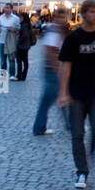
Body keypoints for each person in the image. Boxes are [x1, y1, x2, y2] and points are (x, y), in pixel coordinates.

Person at [57, 0, 95, 189]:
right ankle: (81, 171)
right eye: (91, 12)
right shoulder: (73, 38)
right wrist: (63, 93)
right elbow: (66, 67)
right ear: (83, 14)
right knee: (77, 134)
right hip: (75, 94)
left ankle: (89, 156)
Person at [34, 7, 69, 137]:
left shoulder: (58, 31)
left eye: (63, 17)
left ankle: (70, 124)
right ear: (55, 18)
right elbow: (48, 51)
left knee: (63, 96)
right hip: (51, 70)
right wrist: (57, 68)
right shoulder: (54, 32)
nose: (61, 20)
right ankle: (39, 127)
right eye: (59, 17)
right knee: (49, 99)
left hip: (53, 69)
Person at [0, 5, 20, 78]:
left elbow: (19, 28)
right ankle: (3, 74)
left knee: (11, 58)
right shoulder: (1, 17)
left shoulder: (15, 18)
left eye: (7, 8)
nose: (5, 9)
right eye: (5, 7)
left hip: (11, 40)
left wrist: (13, 29)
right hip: (2, 40)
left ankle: (12, 74)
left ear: (11, 9)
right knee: (3, 59)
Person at [15, 10, 35, 81]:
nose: (19, 19)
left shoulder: (24, 26)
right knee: (25, 61)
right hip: (26, 46)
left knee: (20, 61)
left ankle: (20, 75)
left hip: (22, 46)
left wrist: (18, 40)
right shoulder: (27, 25)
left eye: (20, 17)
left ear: (24, 18)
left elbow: (25, 35)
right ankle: (23, 76)